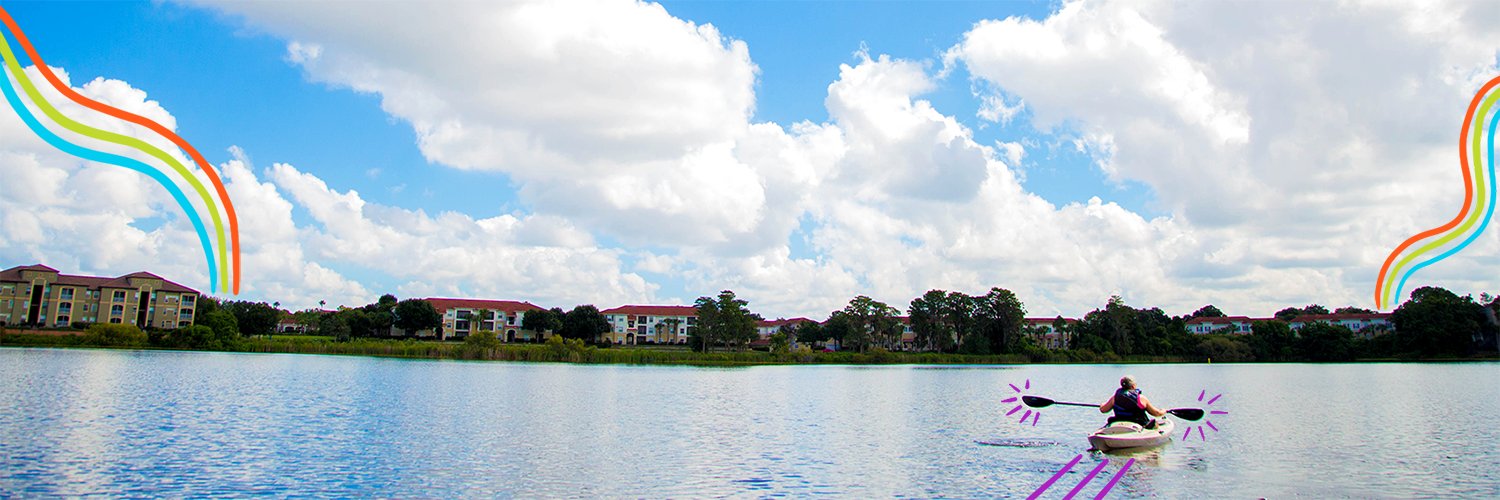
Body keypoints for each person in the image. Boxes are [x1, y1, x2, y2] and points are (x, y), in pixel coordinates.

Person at [1099, 375, 1166, 428]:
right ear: (1133, 386)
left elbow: (1103, 410)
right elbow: (1156, 413)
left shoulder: (1115, 398)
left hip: (1119, 422)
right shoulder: (1141, 398)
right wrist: (1163, 411)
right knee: (1154, 424)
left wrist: (1102, 405)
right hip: (1139, 424)